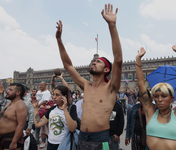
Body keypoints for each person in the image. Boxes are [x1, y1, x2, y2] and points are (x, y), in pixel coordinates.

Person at [56, 3, 122, 149]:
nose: (94, 63)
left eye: (98, 62)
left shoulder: (111, 87)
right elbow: (68, 66)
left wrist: (112, 26)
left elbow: (118, 60)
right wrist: (59, 40)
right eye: (93, 61)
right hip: (82, 138)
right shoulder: (86, 85)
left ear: (106, 70)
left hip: (101, 139)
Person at [136, 42, 176, 150]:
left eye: (164, 96)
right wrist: (138, 59)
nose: (159, 100)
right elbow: (141, 85)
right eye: (156, 96)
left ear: (172, 98)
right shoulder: (150, 113)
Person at [31, 85, 77, 150]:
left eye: (57, 95)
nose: (54, 97)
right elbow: (38, 124)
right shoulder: (52, 109)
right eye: (53, 94)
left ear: (64, 97)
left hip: (64, 144)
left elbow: (72, 128)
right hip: (50, 144)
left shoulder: (71, 108)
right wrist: (36, 108)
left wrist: (64, 109)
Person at [0, 83, 27, 150]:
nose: (7, 91)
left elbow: (21, 125)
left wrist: (14, 142)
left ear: (18, 93)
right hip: (1, 138)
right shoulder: (9, 103)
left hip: (10, 139)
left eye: (10, 90)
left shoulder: (21, 105)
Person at [35, 81, 51, 148]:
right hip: (37, 111)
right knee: (37, 126)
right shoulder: (38, 92)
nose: (40, 86)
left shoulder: (47, 92)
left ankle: (44, 142)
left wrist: (38, 105)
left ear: (45, 85)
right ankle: (37, 140)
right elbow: (37, 99)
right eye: (40, 85)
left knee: (43, 127)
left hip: (43, 112)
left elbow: (45, 101)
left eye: (41, 85)